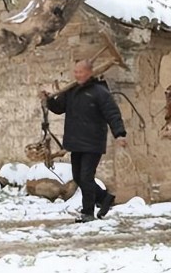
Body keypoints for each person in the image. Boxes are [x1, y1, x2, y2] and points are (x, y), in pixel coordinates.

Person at [42, 59, 127, 223]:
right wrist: (49, 100)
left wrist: (120, 134)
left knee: (86, 177)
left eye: (80, 72)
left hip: (93, 142)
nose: (77, 75)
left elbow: (113, 114)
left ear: (89, 73)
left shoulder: (100, 92)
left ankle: (88, 212)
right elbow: (59, 108)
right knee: (78, 177)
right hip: (75, 142)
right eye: (75, 72)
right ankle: (104, 198)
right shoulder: (71, 91)